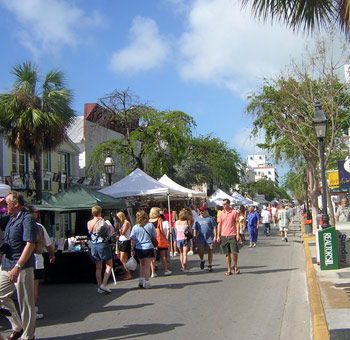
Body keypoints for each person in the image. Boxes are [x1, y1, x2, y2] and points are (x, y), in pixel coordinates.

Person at [0, 192, 37, 340]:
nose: (5, 206)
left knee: (26, 303)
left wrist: (18, 266)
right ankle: (17, 327)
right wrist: (1, 203)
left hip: (22, 266)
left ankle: (28, 336)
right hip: (7, 264)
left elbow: (30, 244)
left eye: (7, 203)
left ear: (16, 203)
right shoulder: (9, 218)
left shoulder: (27, 218)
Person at [26, 206, 55, 320]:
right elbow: (48, 244)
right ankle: (31, 310)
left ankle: (28, 308)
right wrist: (52, 254)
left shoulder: (19, 225)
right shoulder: (38, 227)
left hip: (21, 260)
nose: (37, 214)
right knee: (33, 286)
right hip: (36, 259)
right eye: (36, 212)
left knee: (24, 287)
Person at [87, 205, 113, 294]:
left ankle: (99, 287)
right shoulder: (102, 222)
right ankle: (104, 284)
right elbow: (110, 231)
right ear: (100, 212)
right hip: (102, 244)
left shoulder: (89, 223)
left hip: (93, 245)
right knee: (109, 265)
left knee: (98, 267)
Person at [130, 210, 156, 289]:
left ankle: (140, 280)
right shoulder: (150, 225)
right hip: (148, 247)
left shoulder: (135, 227)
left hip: (139, 248)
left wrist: (132, 249)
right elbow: (154, 236)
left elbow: (132, 239)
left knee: (142, 264)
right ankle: (147, 282)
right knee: (147, 266)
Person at [217, 198, 240, 276]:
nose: (224, 205)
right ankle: (229, 269)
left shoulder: (234, 212)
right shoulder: (221, 213)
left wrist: (237, 234)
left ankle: (235, 266)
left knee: (234, 252)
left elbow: (237, 223)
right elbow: (219, 224)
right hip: (224, 235)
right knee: (227, 253)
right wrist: (218, 235)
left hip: (232, 234)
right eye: (223, 204)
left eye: (225, 204)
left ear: (229, 204)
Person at [193, 205, 217, 272]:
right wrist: (194, 236)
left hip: (209, 237)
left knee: (210, 250)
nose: (201, 212)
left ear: (206, 211)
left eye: (202, 211)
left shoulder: (210, 218)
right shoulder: (197, 219)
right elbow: (194, 228)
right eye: (200, 211)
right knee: (201, 250)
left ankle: (210, 264)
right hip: (200, 237)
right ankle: (202, 260)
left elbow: (214, 227)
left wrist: (215, 236)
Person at [149, 207, 171, 277]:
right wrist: (165, 237)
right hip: (159, 239)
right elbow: (161, 229)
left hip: (152, 239)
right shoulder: (159, 220)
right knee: (163, 256)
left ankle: (153, 272)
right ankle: (165, 270)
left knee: (153, 257)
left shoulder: (149, 221)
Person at [174, 209, 191, 273]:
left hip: (178, 239)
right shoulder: (187, 222)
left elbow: (175, 232)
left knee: (181, 253)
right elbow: (190, 231)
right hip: (185, 239)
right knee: (185, 253)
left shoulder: (176, 222)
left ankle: (182, 266)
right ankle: (184, 264)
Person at [116, 211, 132, 280]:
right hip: (122, 241)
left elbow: (123, 233)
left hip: (125, 241)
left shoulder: (126, 223)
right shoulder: (121, 223)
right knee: (124, 258)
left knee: (122, 258)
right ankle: (127, 272)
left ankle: (128, 273)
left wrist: (119, 230)